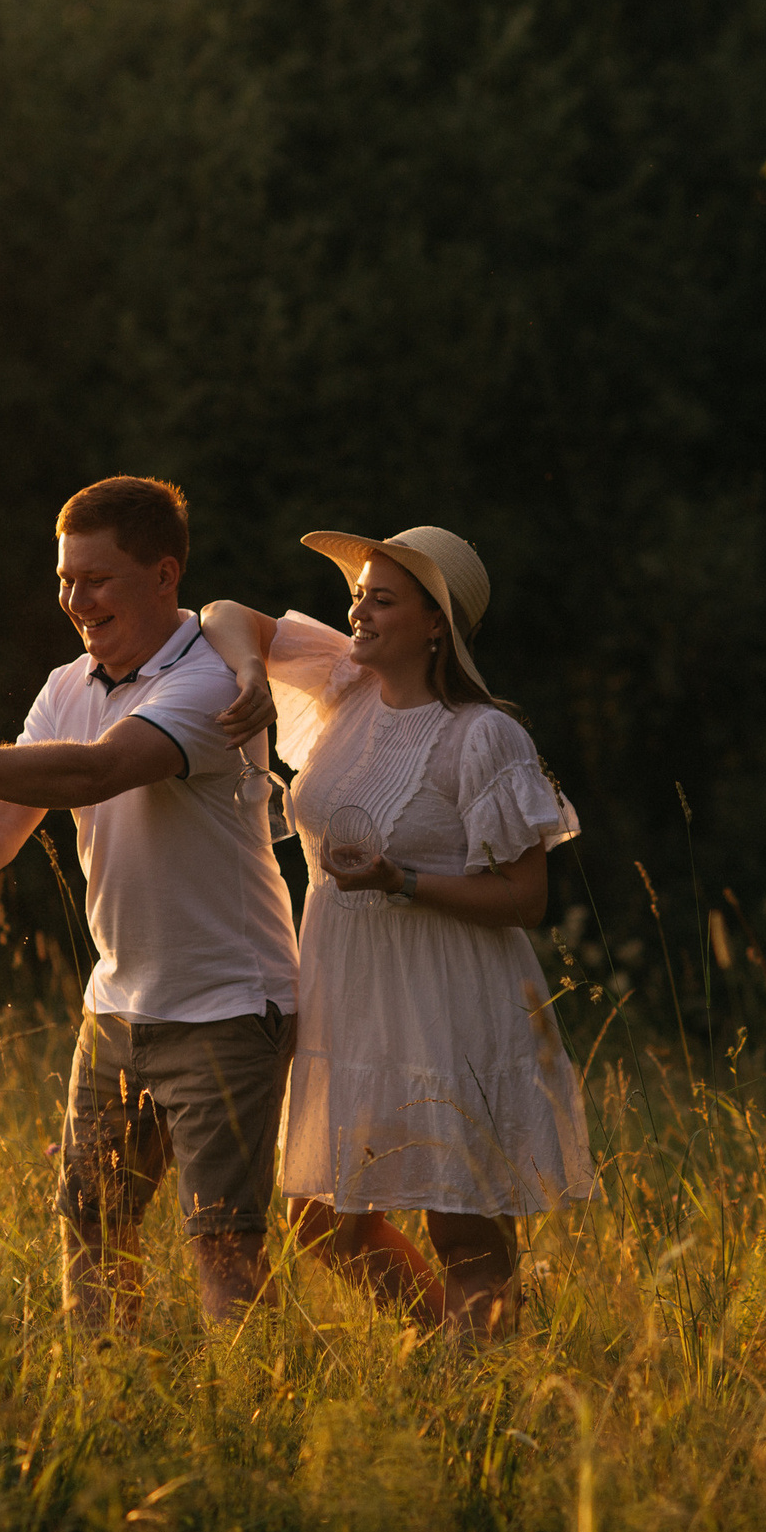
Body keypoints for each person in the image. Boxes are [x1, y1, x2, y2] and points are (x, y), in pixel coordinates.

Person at [0, 477, 300, 1329]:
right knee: (91, 1227)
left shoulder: (211, 683)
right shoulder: (69, 683)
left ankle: (263, 1426)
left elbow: (94, 771)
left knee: (224, 1245)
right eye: (65, 578)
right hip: (117, 1010)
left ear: (164, 574)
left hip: (228, 1007)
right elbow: (6, 818)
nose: (74, 599)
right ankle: (111, 1404)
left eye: (96, 579)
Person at [200, 526, 598, 1339]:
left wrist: (403, 880)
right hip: (347, 991)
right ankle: (458, 1337)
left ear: (434, 624)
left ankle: (481, 1385)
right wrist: (249, 674)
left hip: (449, 992)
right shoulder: (345, 687)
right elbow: (223, 613)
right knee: (320, 1218)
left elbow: (525, 896)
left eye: (382, 599)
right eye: (359, 595)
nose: (359, 610)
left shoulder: (482, 735)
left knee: (463, 1222)